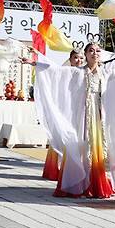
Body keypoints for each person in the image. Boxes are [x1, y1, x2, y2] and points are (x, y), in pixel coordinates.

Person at [25, 43, 115, 198]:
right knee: (80, 144)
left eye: (97, 51)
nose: (94, 53)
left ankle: (94, 182)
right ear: (85, 54)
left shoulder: (105, 73)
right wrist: (35, 62)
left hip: (98, 114)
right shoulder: (77, 72)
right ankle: (77, 182)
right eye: (91, 51)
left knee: (96, 147)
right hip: (81, 115)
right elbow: (56, 71)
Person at [42, 49, 85, 181]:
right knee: (62, 136)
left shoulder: (86, 71)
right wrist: (36, 62)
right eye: (76, 58)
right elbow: (50, 68)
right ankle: (57, 169)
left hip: (80, 110)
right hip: (66, 110)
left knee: (77, 138)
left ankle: (74, 168)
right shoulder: (65, 71)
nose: (79, 61)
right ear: (71, 59)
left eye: (81, 58)